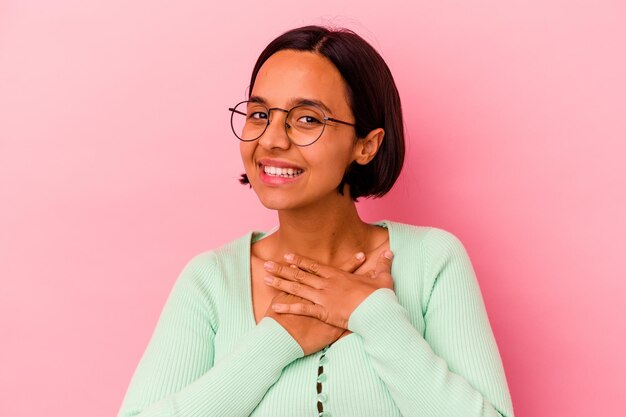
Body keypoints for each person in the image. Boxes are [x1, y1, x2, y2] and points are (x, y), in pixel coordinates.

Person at [117, 25, 514, 417]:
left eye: (307, 119)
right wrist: (276, 341)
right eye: (259, 114)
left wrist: (372, 313)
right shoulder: (211, 279)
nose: (271, 139)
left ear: (366, 144)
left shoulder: (432, 260)